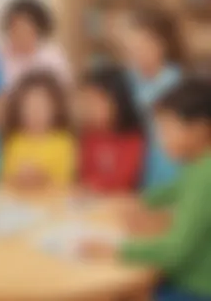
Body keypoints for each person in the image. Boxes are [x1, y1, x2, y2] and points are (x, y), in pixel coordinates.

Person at [81, 78, 211, 301]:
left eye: (168, 130)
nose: (161, 140)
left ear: (200, 129)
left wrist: (116, 250)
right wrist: (139, 201)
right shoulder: (198, 164)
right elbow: (175, 190)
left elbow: (175, 250)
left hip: (192, 289)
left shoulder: (204, 176)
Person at [120, 7, 183, 188]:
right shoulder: (128, 78)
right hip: (134, 161)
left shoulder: (175, 82)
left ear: (163, 44)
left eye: (143, 45)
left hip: (166, 162)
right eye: (130, 48)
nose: (136, 53)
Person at [2, 71, 74, 189]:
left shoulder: (63, 143)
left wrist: (42, 178)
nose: (35, 112)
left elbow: (65, 182)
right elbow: (5, 180)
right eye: (29, 106)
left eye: (42, 105)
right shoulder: (14, 142)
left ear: (55, 109)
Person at [79, 66, 145, 193]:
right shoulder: (89, 134)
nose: (90, 108)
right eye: (87, 102)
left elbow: (123, 181)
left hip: (118, 204)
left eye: (96, 101)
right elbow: (83, 174)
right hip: (89, 204)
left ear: (117, 101)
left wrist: (91, 186)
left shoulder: (132, 138)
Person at [0, 0, 71, 92]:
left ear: (38, 30)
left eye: (26, 28)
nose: (21, 34)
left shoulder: (52, 57)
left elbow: (65, 92)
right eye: (15, 28)